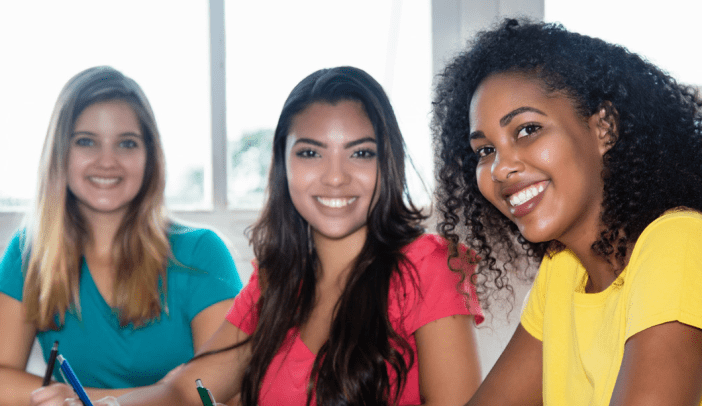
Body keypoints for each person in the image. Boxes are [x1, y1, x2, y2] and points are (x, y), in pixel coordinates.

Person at [77, 66, 484, 406]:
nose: (336, 176)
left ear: (388, 161)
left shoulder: (429, 265)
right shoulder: (276, 279)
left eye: (360, 153)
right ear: (282, 164)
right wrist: (97, 404)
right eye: (310, 152)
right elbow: (187, 388)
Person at [433, 18, 702, 405]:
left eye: (527, 130)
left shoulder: (678, 242)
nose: (499, 168)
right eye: (484, 150)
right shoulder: (562, 272)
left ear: (604, 129)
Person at [0, 66, 243, 405]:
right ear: (60, 154)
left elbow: (227, 394)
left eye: (126, 144)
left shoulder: (202, 253)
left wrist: (87, 400)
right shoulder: (29, 254)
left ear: (150, 156)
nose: (107, 161)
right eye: (86, 142)